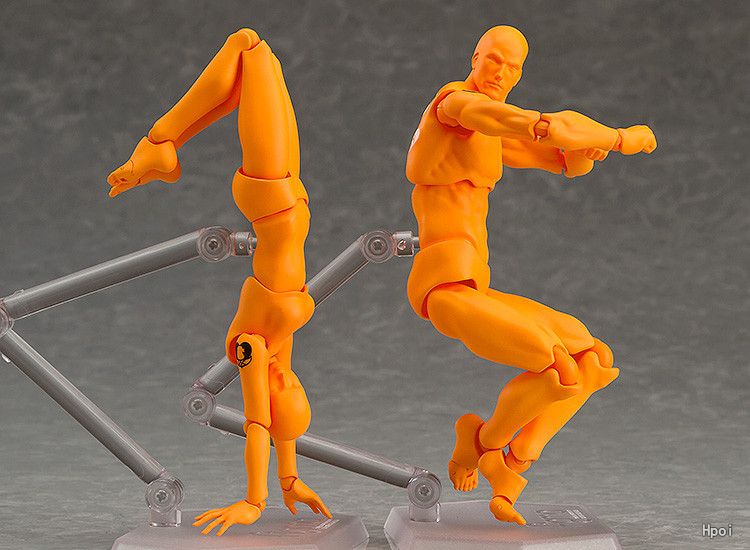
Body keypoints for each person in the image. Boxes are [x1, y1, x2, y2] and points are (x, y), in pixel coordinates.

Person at [405, 25, 656, 525]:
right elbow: (537, 126)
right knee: (556, 367)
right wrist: (618, 138)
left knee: (591, 358)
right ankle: (482, 444)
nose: (502, 73)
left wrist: (582, 152)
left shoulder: (487, 138)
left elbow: (563, 158)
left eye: (513, 66)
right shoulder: (454, 105)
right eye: (494, 60)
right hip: (443, 287)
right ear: (474, 57)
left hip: (476, 284)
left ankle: (509, 461)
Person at [108, 29, 330, 536]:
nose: (290, 380)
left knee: (249, 47)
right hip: (293, 195)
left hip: (270, 199)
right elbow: (281, 432)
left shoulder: (252, 350)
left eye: (286, 389)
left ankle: (158, 144)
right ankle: (162, 150)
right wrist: (290, 480)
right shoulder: (278, 350)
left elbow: (257, 426)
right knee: (253, 70)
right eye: (297, 386)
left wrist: (254, 501)